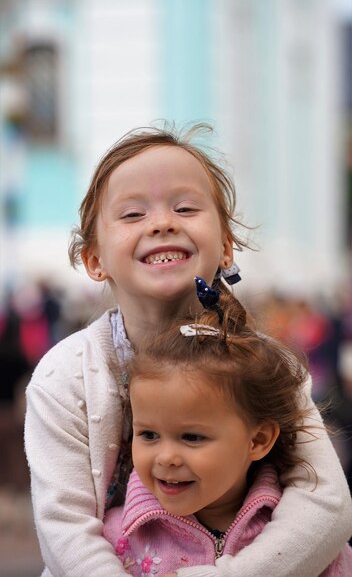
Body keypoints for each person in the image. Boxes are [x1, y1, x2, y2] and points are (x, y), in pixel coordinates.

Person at [24, 124, 352, 577]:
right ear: (95, 259)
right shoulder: (64, 376)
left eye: (185, 207)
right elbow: (64, 528)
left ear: (225, 248)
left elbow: (325, 502)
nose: (162, 222)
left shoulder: (265, 364)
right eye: (133, 214)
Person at [103, 283, 352, 575]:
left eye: (192, 437)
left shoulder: (302, 540)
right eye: (149, 435)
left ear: (258, 440)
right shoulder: (117, 539)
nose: (166, 457)